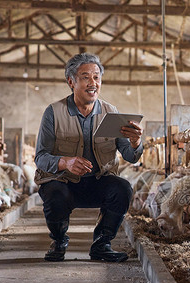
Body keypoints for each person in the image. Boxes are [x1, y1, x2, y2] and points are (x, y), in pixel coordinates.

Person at [34, 52, 143, 263]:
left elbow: (131, 157)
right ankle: (58, 240)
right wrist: (65, 162)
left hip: (98, 182)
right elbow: (40, 157)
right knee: (54, 192)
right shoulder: (54, 112)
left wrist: (136, 143)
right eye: (85, 77)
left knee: (123, 188)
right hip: (63, 183)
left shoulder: (111, 113)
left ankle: (102, 245)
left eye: (96, 77)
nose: (92, 83)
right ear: (71, 81)